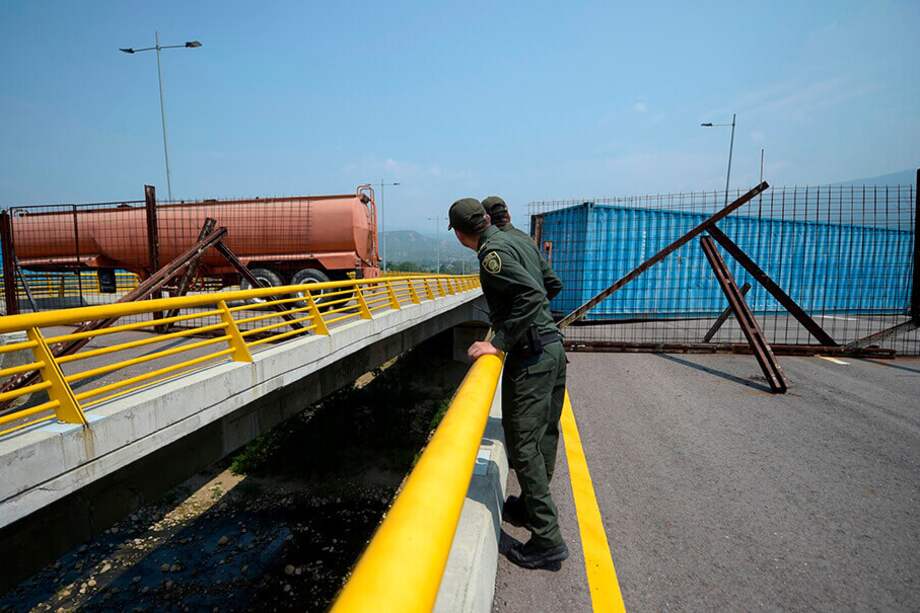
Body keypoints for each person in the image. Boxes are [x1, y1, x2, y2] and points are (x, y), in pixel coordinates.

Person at [448, 197, 569, 569]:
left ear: (461, 233)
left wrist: (499, 340)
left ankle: (547, 540)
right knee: (546, 433)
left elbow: (531, 294)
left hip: (532, 357)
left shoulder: (491, 255)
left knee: (525, 444)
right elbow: (551, 284)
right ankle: (531, 509)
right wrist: (535, 323)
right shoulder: (517, 239)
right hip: (552, 348)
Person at [481, 196, 562, 301]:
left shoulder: (494, 245)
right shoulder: (525, 239)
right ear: (508, 216)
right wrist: (541, 307)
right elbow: (554, 283)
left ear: (487, 220)